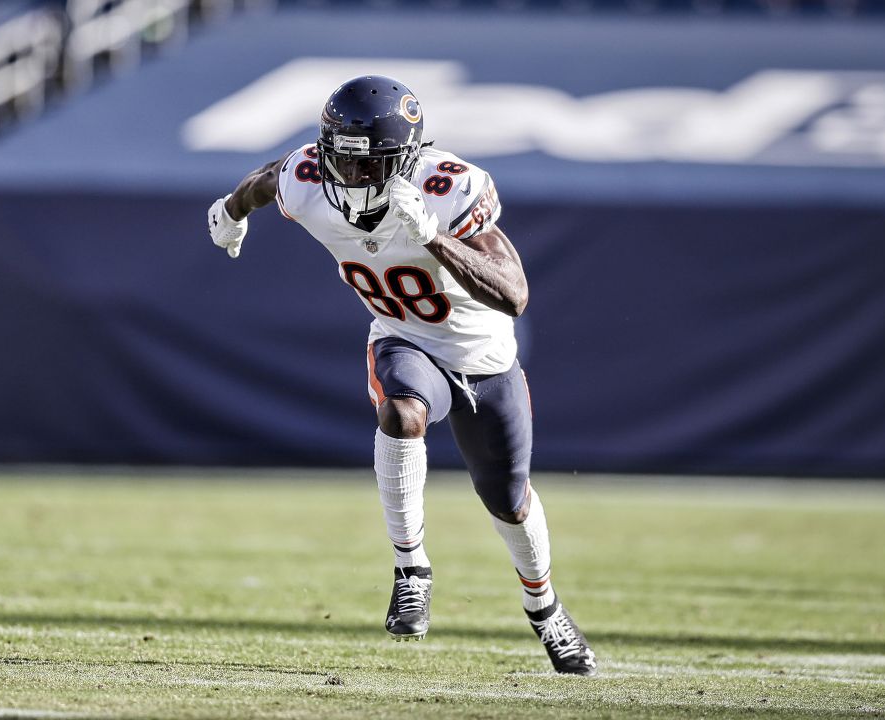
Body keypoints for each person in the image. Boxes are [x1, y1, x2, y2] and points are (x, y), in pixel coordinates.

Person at [207, 75, 596, 675]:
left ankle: (545, 609)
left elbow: (514, 294)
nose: (350, 177)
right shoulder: (311, 178)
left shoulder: (447, 188)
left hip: (484, 359)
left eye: (369, 166)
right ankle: (411, 567)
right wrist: (230, 212)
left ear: (405, 160)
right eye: (341, 159)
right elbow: (268, 179)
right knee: (401, 412)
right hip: (403, 336)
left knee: (510, 502)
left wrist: (435, 238)